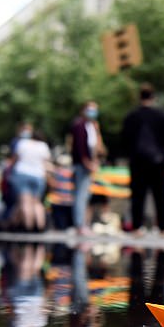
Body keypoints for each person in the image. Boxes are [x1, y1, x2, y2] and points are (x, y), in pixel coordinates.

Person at [120, 83, 164, 236]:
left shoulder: (132, 116)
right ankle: (163, 228)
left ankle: (137, 227)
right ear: (153, 97)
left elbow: (124, 139)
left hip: (137, 162)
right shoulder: (161, 116)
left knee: (138, 195)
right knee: (160, 195)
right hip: (158, 162)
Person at [70, 100, 105, 237]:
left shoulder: (92, 126)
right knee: (80, 195)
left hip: (90, 164)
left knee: (85, 195)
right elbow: (80, 147)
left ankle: (83, 224)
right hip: (82, 164)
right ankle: (80, 225)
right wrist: (87, 163)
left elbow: (97, 148)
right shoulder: (79, 126)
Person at [9, 123, 51, 232]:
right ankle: (40, 227)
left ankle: (29, 227)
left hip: (22, 173)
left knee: (25, 203)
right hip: (38, 175)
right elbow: (46, 163)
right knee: (37, 202)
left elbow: (15, 159)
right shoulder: (43, 146)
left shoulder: (22, 143)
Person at [46, 153, 75, 232]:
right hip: (69, 202)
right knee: (66, 226)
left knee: (59, 226)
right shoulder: (72, 173)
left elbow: (51, 184)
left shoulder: (55, 172)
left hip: (57, 202)